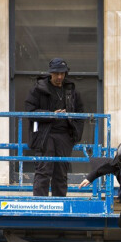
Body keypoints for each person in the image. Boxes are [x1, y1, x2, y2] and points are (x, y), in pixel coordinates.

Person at [25, 57, 84, 196]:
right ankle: (40, 206)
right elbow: (29, 112)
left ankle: (60, 207)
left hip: (64, 136)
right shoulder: (38, 89)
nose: (59, 77)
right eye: (56, 73)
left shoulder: (71, 90)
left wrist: (76, 133)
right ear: (50, 73)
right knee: (43, 171)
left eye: (62, 74)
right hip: (45, 135)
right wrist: (51, 114)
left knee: (61, 173)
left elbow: (81, 113)